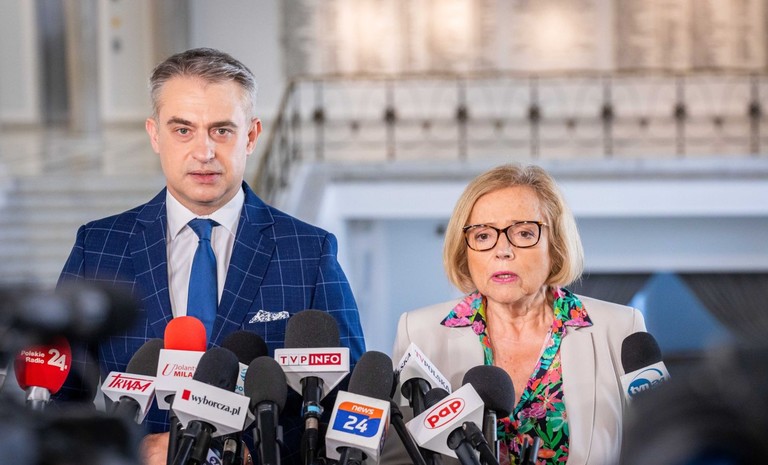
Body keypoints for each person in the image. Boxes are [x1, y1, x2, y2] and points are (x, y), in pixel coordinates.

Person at [56, 48, 365, 465]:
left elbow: (349, 405)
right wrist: (129, 451)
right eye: (183, 130)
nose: (203, 152)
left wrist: (256, 454)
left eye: (221, 130)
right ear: (155, 135)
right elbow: (58, 403)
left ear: (251, 136)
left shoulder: (309, 251)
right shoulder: (98, 246)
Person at [382, 164, 647, 465]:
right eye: (483, 236)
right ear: (465, 250)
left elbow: (662, 442)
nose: (503, 250)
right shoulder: (418, 332)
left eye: (523, 233)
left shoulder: (621, 329)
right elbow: (401, 458)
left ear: (555, 244)